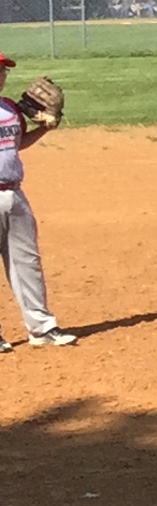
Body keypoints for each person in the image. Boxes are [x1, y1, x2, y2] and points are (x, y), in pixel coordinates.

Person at [0, 54, 76, 350]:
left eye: (3, 71)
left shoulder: (10, 109)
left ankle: (42, 328)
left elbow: (17, 144)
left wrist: (44, 128)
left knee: (27, 263)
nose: (1, 76)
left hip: (15, 194)